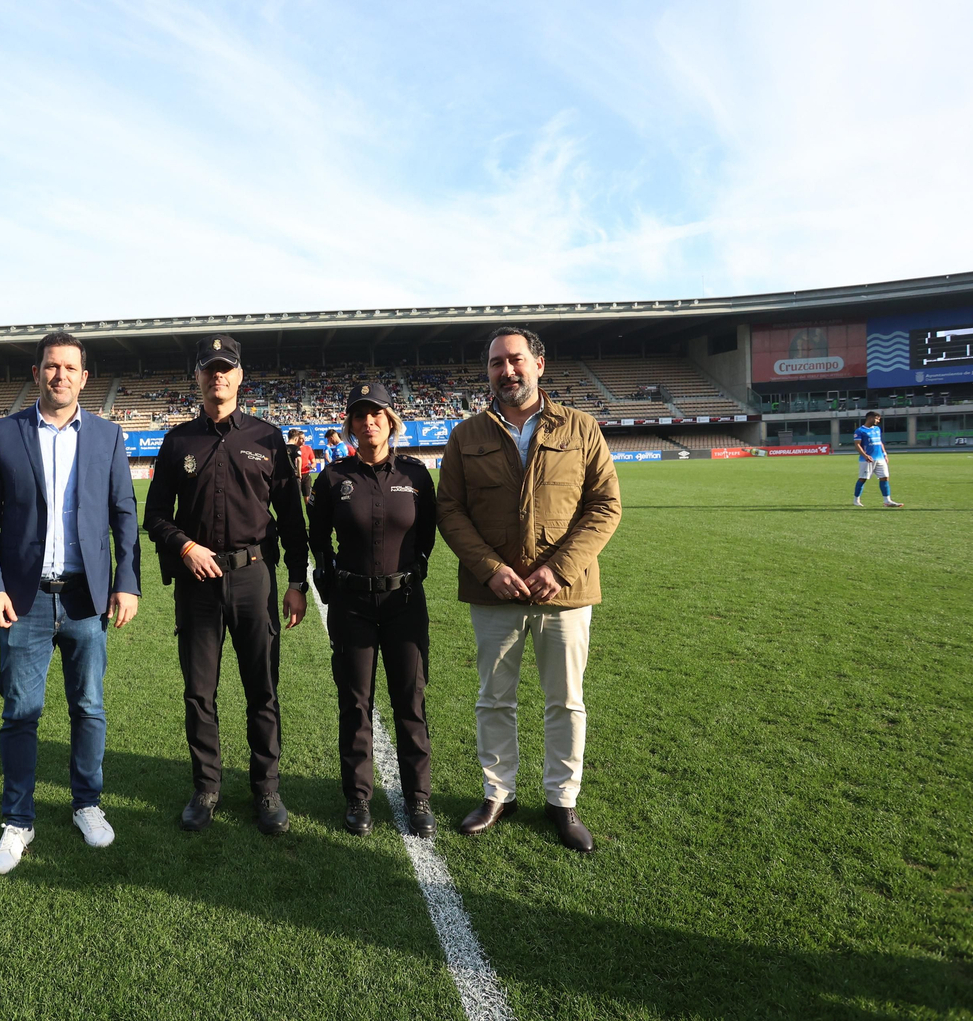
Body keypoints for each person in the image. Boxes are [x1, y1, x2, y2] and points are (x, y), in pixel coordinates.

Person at [437, 326, 621, 852]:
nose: (507, 370)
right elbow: (449, 510)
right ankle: (499, 794)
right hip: (494, 592)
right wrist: (489, 568)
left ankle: (563, 800)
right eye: (496, 362)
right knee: (494, 699)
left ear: (539, 364)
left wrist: (559, 569)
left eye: (515, 359)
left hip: (565, 592)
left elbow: (605, 506)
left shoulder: (581, 427)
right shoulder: (466, 435)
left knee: (565, 700)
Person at [0, 331, 141, 875]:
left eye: (70, 367)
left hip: (87, 598)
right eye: (51, 366)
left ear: (84, 378)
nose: (60, 375)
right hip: (23, 601)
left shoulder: (108, 436)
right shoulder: (4, 433)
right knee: (20, 713)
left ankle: (87, 803)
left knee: (88, 707)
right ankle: (17, 819)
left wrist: (127, 582)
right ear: (37, 373)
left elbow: (124, 514)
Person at [143, 334, 309, 836]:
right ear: (197, 376)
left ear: (239, 376)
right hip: (197, 583)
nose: (218, 375)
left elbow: (292, 519)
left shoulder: (267, 438)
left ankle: (267, 789)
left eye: (226, 367)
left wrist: (297, 581)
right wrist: (185, 547)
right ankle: (206, 788)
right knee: (199, 692)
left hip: (254, 578)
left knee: (262, 689)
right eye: (209, 367)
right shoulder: (178, 441)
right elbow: (155, 515)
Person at [308, 381, 437, 838]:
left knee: (410, 702)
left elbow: (427, 535)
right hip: (353, 607)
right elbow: (317, 536)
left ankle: (418, 797)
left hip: (405, 605)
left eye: (377, 414)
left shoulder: (416, 476)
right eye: (360, 416)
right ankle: (358, 797)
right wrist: (328, 579)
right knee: (355, 704)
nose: (369, 423)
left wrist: (413, 572)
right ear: (350, 425)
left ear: (390, 421)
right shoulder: (333, 478)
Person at [853, 412, 903, 508]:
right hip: (867, 459)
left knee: (885, 477)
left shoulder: (877, 429)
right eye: (877, 419)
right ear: (870, 418)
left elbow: (880, 442)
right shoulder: (860, 431)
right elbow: (857, 445)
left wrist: (885, 454)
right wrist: (865, 455)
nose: (878, 421)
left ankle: (887, 501)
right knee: (863, 478)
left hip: (880, 458)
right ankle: (856, 500)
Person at [289, 429, 316, 505]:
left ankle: (309, 511)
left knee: (307, 498)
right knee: (295, 498)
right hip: (295, 475)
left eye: (304, 438)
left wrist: (311, 466)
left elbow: (314, 462)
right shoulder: (293, 449)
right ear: (297, 438)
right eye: (301, 438)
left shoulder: (308, 448)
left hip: (306, 475)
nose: (304, 440)